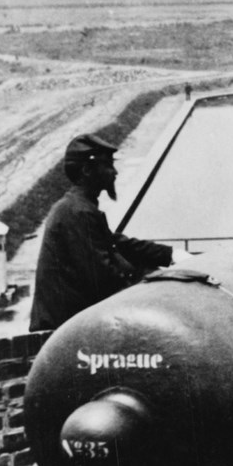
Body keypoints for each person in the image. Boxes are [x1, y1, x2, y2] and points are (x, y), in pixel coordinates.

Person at [30, 133, 177, 332]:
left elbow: (116, 243)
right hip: (62, 333)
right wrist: (149, 282)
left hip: (68, 325)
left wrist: (169, 255)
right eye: (107, 166)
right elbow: (103, 279)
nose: (114, 173)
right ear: (87, 170)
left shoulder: (77, 207)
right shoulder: (79, 212)